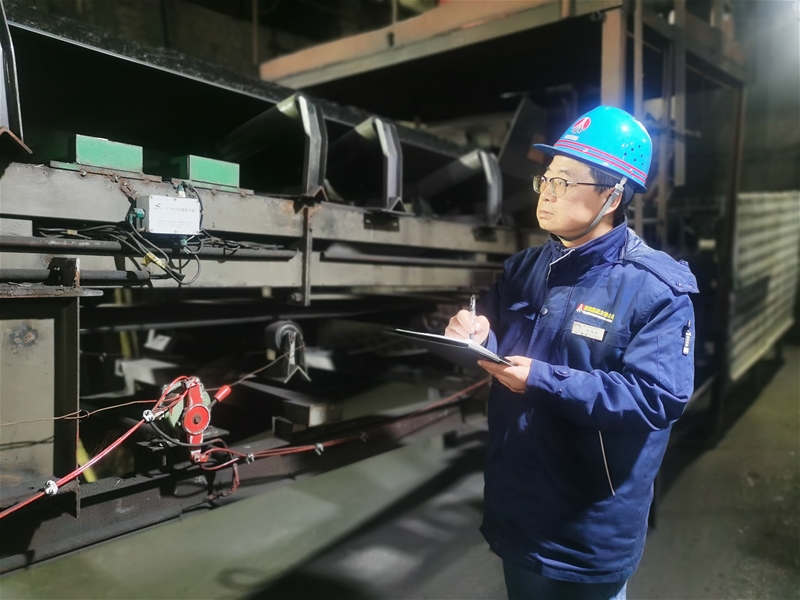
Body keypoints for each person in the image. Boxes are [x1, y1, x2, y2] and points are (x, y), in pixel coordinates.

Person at [446, 106, 698, 600]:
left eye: (564, 182)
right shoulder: (524, 268)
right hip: (517, 507)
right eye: (546, 178)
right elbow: (493, 333)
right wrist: (474, 333)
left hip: (588, 521)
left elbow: (657, 397)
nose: (545, 192)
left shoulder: (656, 289)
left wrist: (542, 380)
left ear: (612, 196)